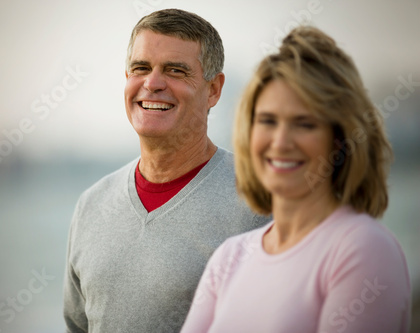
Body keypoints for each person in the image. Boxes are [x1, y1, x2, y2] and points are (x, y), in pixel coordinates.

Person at [181, 26, 411, 333]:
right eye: (268, 121)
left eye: (304, 124)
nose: (281, 141)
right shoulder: (229, 257)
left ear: (340, 139)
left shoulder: (362, 248)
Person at [63, 8, 269, 333]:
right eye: (140, 68)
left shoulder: (260, 201)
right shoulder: (91, 205)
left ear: (213, 89)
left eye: (175, 71)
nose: (153, 83)